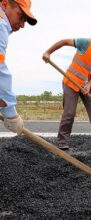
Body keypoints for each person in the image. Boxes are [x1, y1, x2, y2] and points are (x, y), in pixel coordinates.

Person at [43, 30, 91, 150]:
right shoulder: (86, 43)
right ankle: (62, 142)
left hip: (87, 87)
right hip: (71, 82)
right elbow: (64, 42)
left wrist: (89, 84)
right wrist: (48, 52)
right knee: (69, 113)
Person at [0, 0, 37, 135]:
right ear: (5, 4)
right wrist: (10, 112)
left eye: (24, 21)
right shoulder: (1, 25)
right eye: (20, 16)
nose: (22, 25)